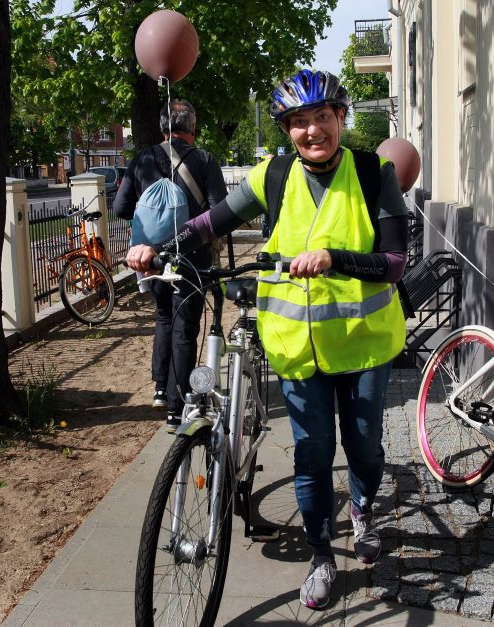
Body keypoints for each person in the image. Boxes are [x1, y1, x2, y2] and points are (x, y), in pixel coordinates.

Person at [126, 69, 410, 610]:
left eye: (322, 117)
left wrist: (335, 259)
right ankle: (322, 554)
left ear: (341, 119)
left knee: (364, 449)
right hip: (297, 347)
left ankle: (365, 507)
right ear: (286, 130)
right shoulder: (272, 176)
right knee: (313, 453)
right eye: (298, 122)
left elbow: (395, 264)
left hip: (365, 344)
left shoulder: (375, 173)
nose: (311, 131)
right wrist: (160, 246)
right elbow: (211, 221)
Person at [114, 99, 227, 432]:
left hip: (151, 259)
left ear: (163, 127)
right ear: (192, 128)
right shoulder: (205, 161)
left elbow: (121, 208)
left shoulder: (142, 159)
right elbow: (220, 213)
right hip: (192, 260)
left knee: (164, 316)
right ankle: (179, 406)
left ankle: (161, 388)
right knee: (185, 327)